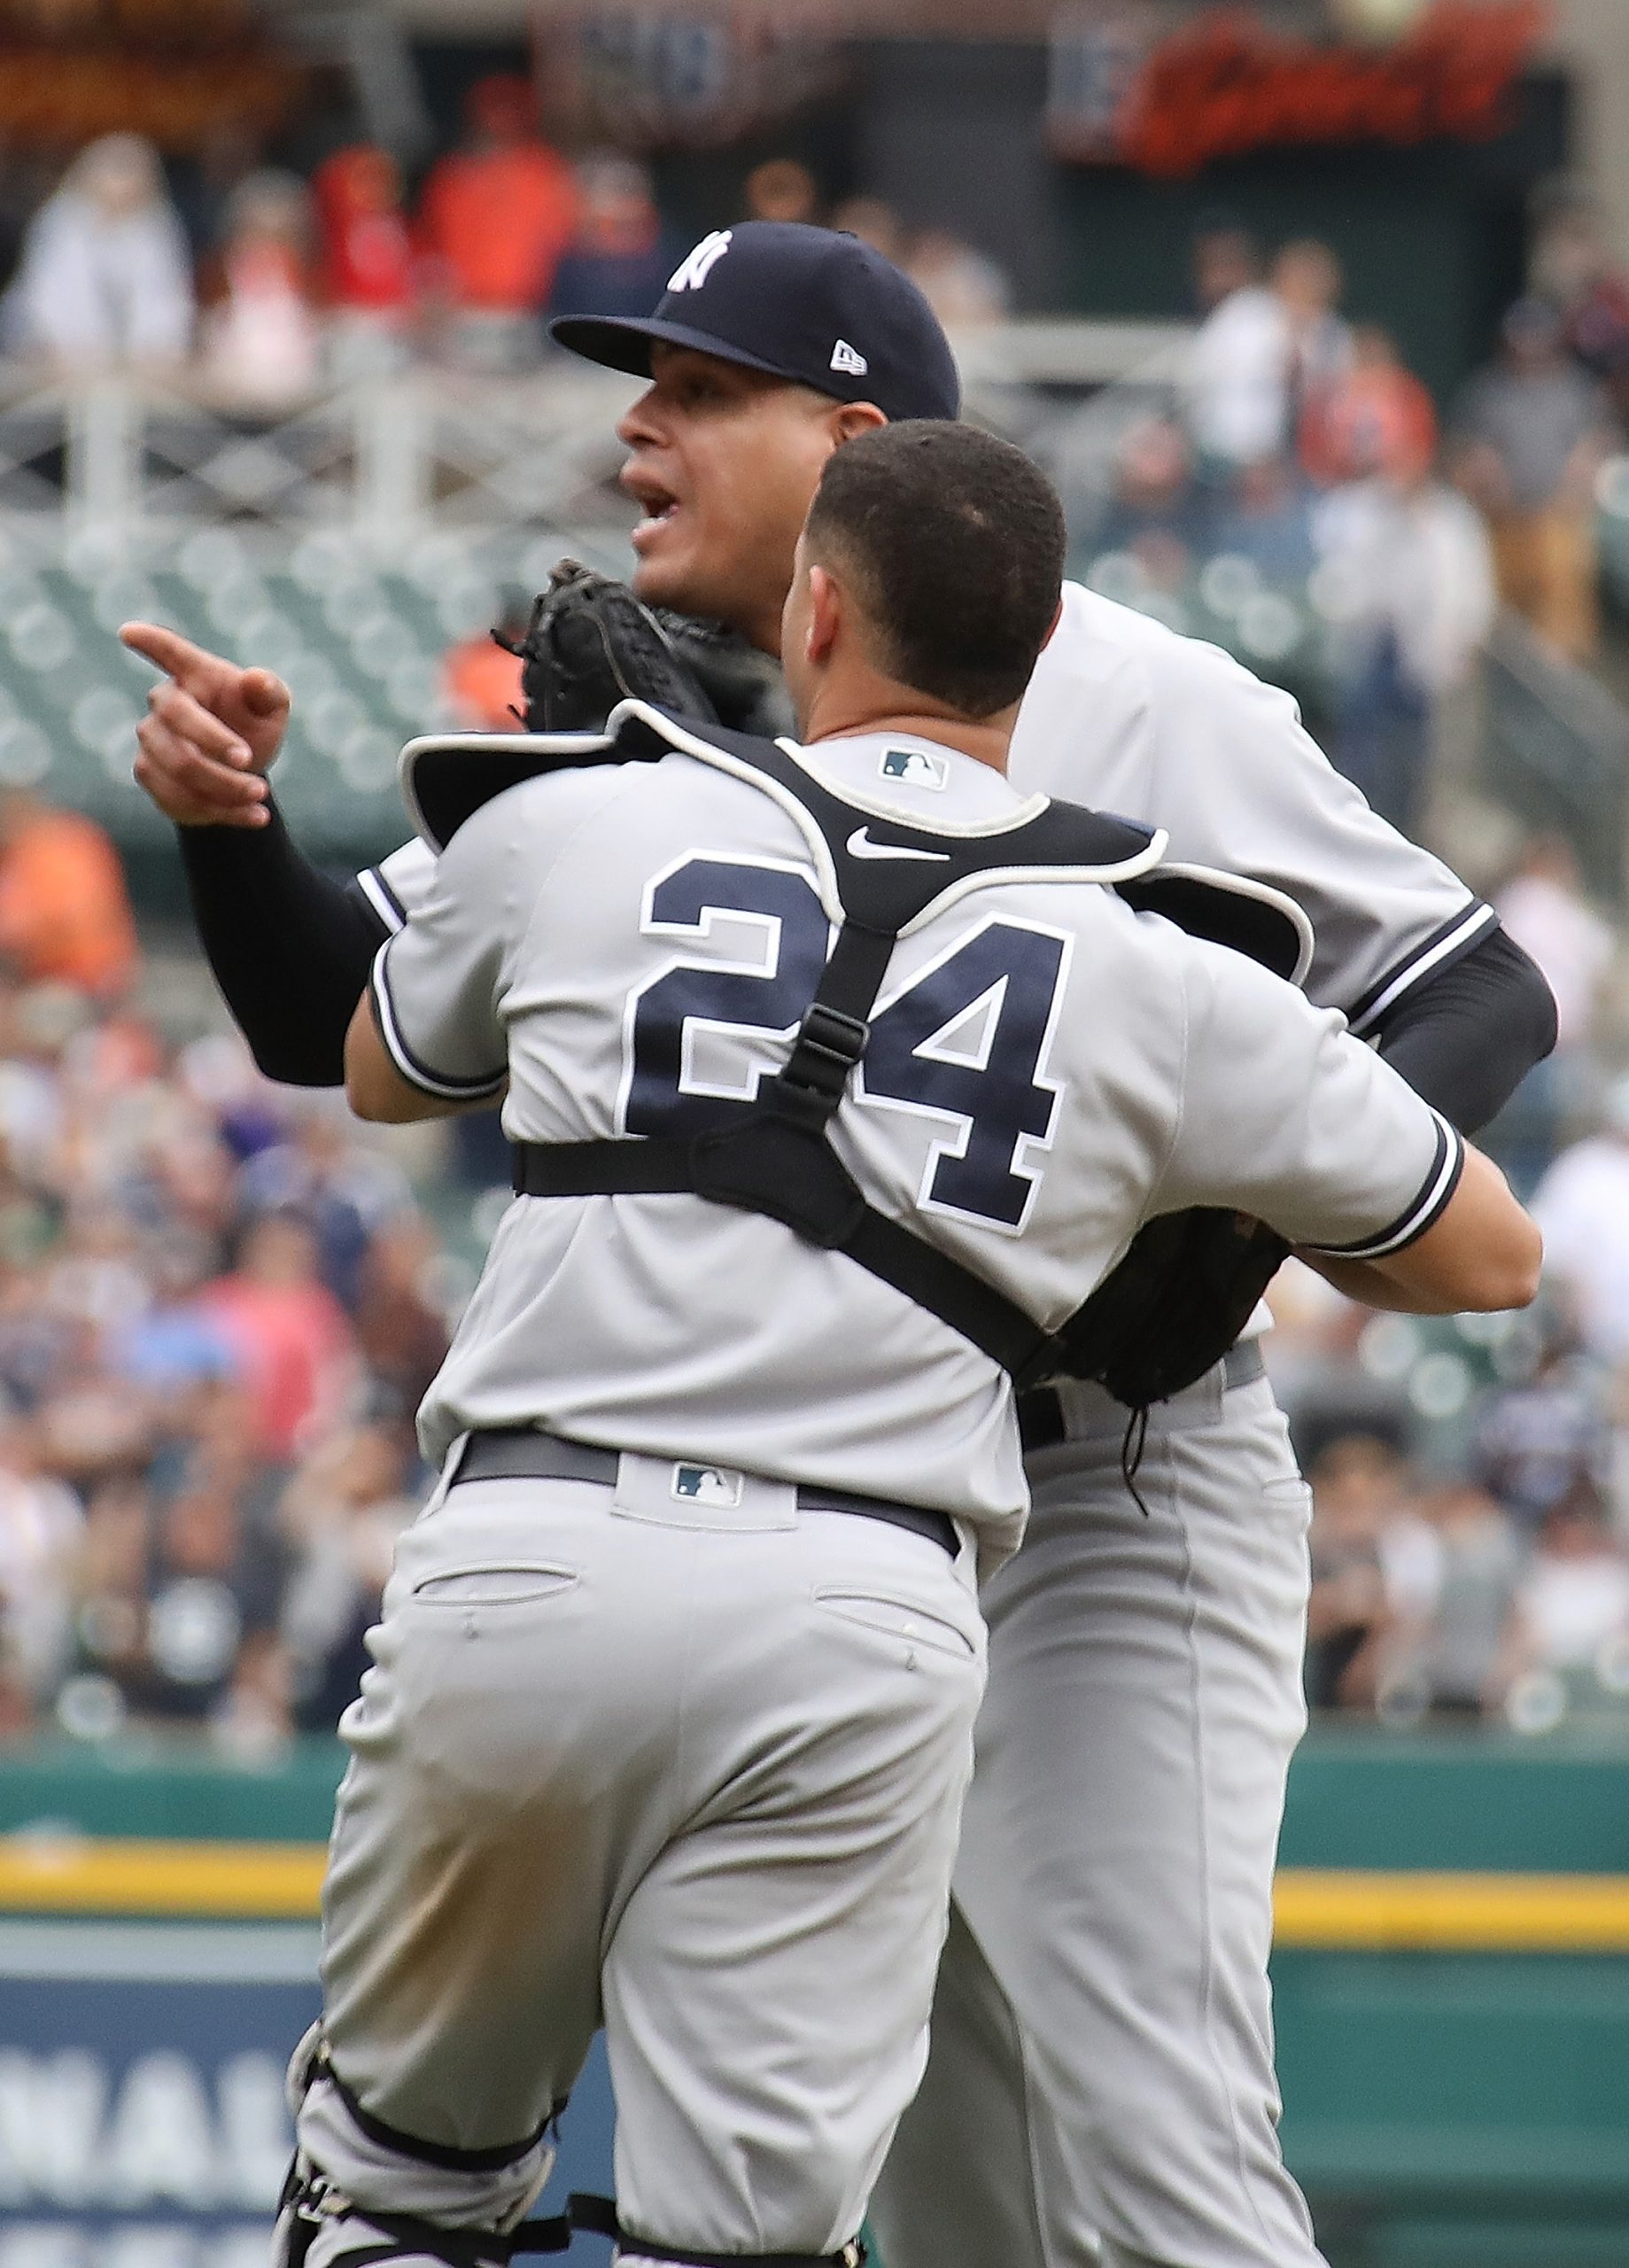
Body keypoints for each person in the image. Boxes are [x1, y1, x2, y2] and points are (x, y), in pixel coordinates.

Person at [120, 221, 1557, 2268]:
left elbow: (1476, 986)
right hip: (843, 1513)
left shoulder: (1129, 692)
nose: (640, 424)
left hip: (1100, 1489)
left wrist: (1189, 1260)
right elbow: (338, 1023)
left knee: (1133, 2121)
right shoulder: (672, 723)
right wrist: (233, 823)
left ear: (852, 445)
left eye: (701, 389)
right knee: (949, 2171)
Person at [1451, 296, 1617, 662]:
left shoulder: (1574, 389)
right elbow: (1467, 450)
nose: (1529, 346)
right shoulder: (1490, 390)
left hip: (1558, 519)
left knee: (1562, 617)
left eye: (1537, 337)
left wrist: (1577, 482)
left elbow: (1596, 444)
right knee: (1501, 621)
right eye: (1522, 338)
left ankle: (1563, 687)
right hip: (1504, 521)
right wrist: (1484, 471)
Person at [416, 74, 579, 372]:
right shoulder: (452, 176)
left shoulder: (543, 172)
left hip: (526, 315)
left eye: (509, 109)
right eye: (492, 110)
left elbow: (563, 241)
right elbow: (432, 245)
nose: (499, 119)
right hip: (464, 317)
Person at [4, 133, 193, 370]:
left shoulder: (157, 226)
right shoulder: (62, 221)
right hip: (60, 358)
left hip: (140, 366)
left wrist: (157, 347)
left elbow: (166, 295)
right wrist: (75, 348)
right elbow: (48, 295)